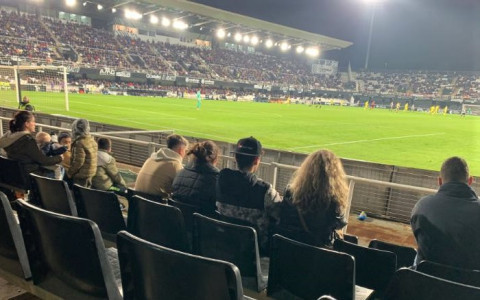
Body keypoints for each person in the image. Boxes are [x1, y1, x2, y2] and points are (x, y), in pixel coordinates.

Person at [411, 156, 480, 269]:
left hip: (425, 280)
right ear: (470, 181)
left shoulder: (422, 206)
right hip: (468, 284)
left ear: (439, 181)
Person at [216, 136, 282, 253]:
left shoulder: (220, 179)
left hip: (223, 244)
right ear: (256, 160)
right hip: (255, 251)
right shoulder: (265, 190)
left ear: (236, 157)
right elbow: (280, 214)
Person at [276, 149, 349, 247]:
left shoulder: (290, 193)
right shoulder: (334, 202)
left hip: (291, 252)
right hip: (319, 256)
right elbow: (341, 223)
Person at [0, 111, 62, 178]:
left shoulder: (9, 136)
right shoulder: (27, 141)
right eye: (33, 121)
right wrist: (60, 158)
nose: (35, 124)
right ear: (26, 124)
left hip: (12, 176)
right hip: (28, 177)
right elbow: (43, 160)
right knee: (59, 169)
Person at [172, 140, 220, 213]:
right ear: (215, 159)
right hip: (200, 223)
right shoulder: (217, 179)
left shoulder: (180, 173)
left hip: (177, 222)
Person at [66, 118, 97, 187]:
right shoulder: (92, 141)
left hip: (81, 176)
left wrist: (69, 173)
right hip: (89, 175)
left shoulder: (79, 143)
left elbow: (78, 162)